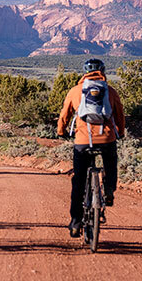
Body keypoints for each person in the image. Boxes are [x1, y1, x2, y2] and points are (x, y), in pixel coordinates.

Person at [56, 58, 126, 238]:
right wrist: (121, 132)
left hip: (82, 140)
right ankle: (109, 189)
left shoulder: (75, 91)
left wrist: (61, 131)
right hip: (106, 139)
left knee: (78, 180)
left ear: (84, 72)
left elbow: (65, 114)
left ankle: (75, 222)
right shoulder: (110, 91)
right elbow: (119, 114)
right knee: (110, 160)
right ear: (103, 72)